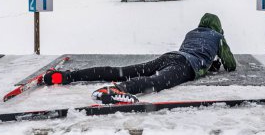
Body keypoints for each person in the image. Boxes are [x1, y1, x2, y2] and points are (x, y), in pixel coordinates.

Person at [44, 13, 236, 104]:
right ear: (217, 27)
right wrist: (217, 58)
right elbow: (231, 65)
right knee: (157, 82)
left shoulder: (191, 32)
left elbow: (192, 50)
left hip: (170, 56)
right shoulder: (217, 37)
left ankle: (66, 76)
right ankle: (118, 90)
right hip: (187, 65)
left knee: (122, 71)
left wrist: (209, 63)